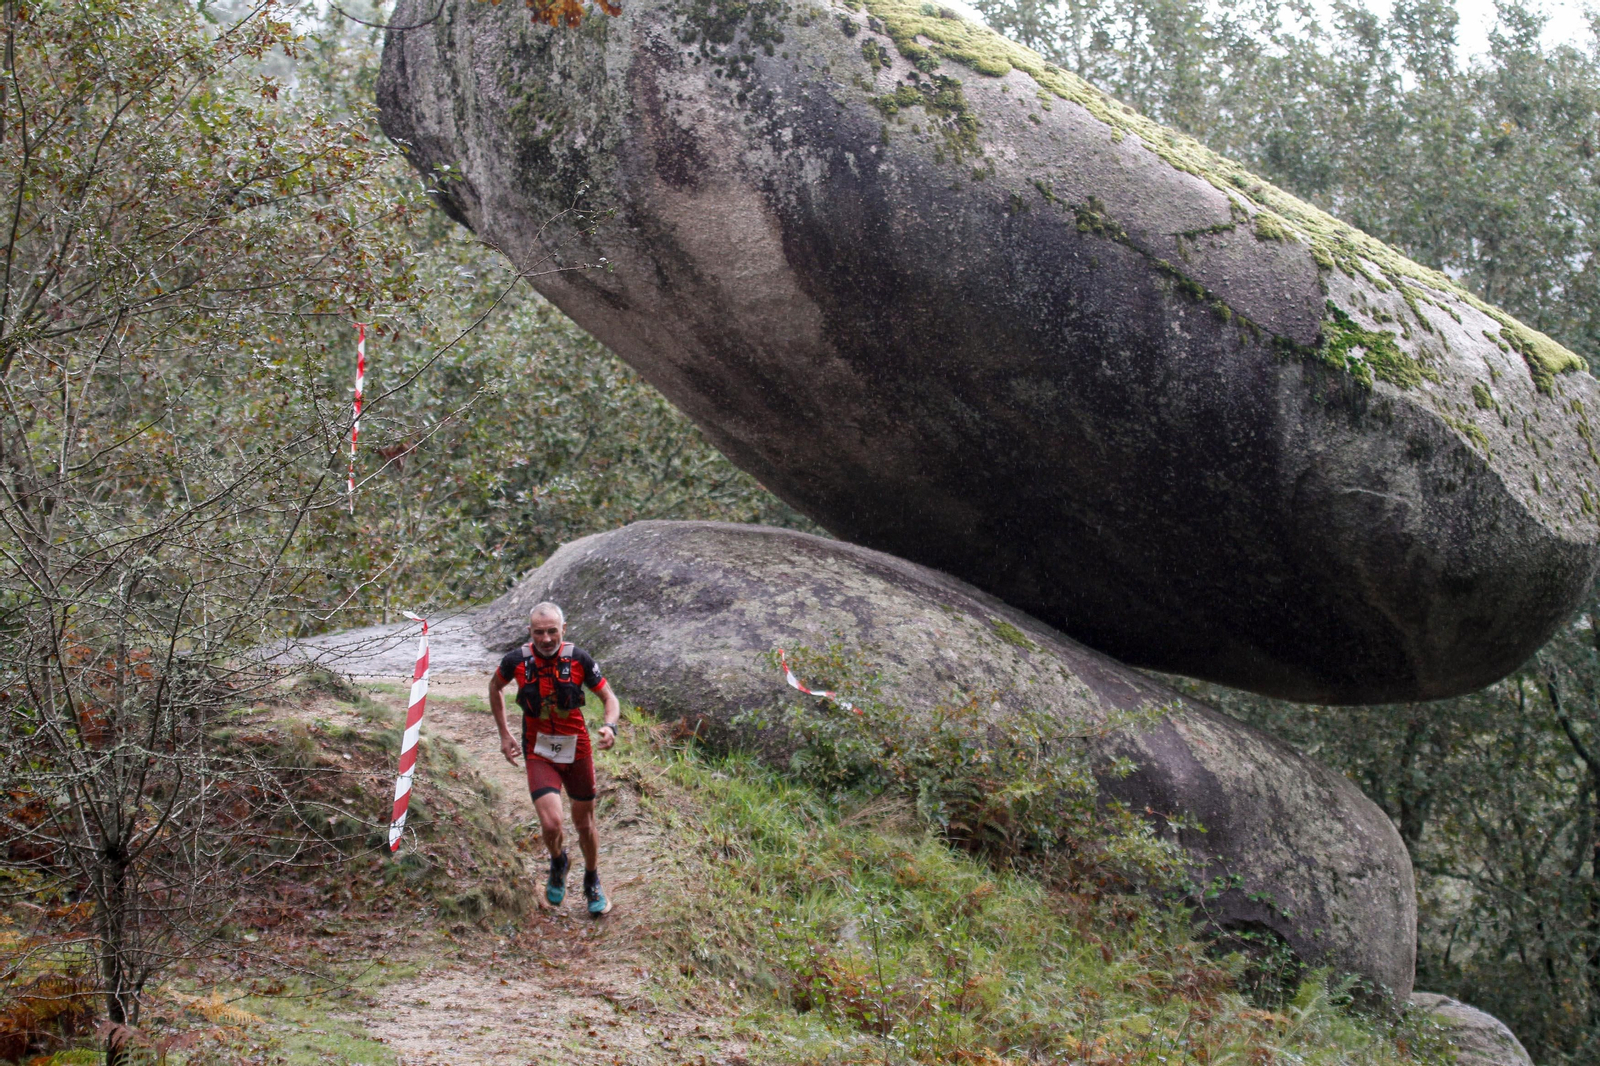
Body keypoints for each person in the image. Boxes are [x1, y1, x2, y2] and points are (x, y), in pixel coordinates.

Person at [488, 601, 621, 915]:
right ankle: (559, 861)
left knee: (584, 823)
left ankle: (592, 880)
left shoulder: (578, 659)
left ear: (563, 629)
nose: (545, 639)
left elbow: (609, 697)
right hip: (538, 751)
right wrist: (504, 734)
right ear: (530, 631)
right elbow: (494, 687)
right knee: (551, 823)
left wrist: (609, 725)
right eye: (538, 632)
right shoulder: (516, 661)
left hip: (577, 750)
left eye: (551, 631)